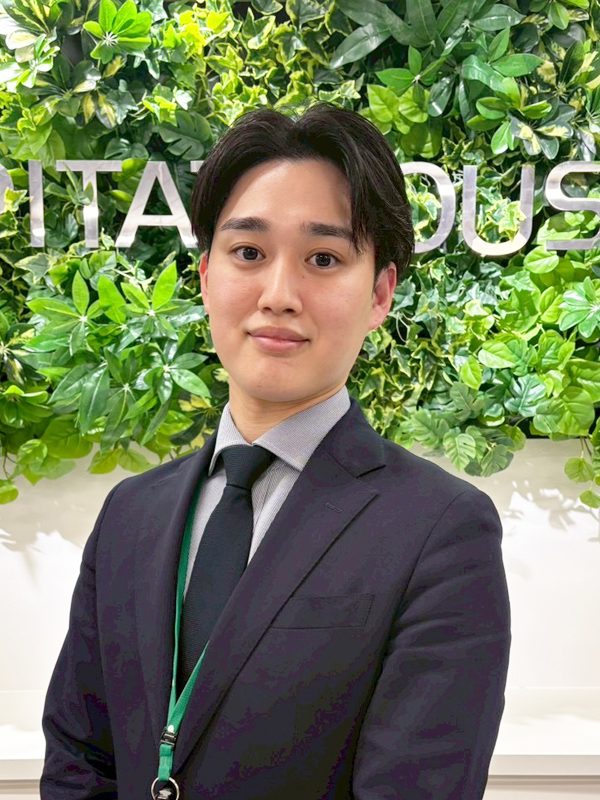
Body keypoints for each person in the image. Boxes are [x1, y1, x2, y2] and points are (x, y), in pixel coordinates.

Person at [40, 101, 511, 800]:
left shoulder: (440, 532)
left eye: (324, 258)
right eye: (249, 253)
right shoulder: (130, 514)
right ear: (206, 276)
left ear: (379, 294)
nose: (279, 294)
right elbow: (80, 760)